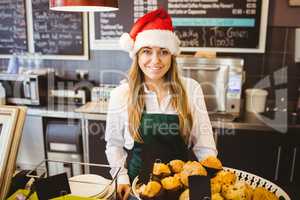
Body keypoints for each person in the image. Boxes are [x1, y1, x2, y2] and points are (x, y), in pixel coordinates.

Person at [105, 8, 217, 200]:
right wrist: (121, 178)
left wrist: (210, 184)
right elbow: (114, 145)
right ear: (137, 55)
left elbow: (205, 147)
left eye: (163, 52)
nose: (155, 60)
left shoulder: (191, 89)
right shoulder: (121, 94)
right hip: (136, 190)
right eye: (147, 51)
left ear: (172, 56)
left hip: (181, 190)